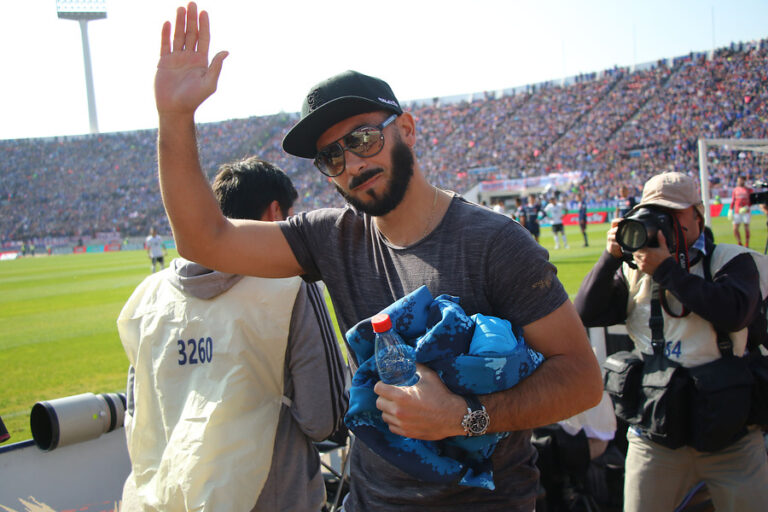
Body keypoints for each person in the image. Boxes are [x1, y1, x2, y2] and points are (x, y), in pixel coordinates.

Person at [151, 4, 602, 510]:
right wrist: (175, 115)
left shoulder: (495, 243)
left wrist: (463, 416)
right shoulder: (330, 237)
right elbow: (203, 240)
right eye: (332, 156)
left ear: (406, 128)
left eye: (363, 138)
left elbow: (582, 380)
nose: (353, 164)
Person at [118, 156, 349, 511]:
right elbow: (324, 419)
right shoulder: (290, 285)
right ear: (275, 214)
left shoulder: (145, 298)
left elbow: (137, 417)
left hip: (165, 500)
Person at [574, 171, 768, 511]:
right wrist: (610, 259)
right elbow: (585, 314)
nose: (662, 222)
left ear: (698, 213)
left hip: (732, 435)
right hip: (657, 433)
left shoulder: (732, 260)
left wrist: (666, 270)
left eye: (672, 213)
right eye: (653, 212)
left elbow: (734, 312)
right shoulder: (636, 270)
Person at [731, 176, 752, 247]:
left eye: (740, 181)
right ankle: (739, 242)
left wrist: (747, 207)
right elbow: (733, 200)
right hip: (737, 212)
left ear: (743, 181)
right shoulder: (735, 190)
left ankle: (747, 243)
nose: (738, 182)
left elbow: (752, 201)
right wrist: (730, 210)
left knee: (746, 227)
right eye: (738, 181)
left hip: (745, 211)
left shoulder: (748, 190)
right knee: (735, 228)